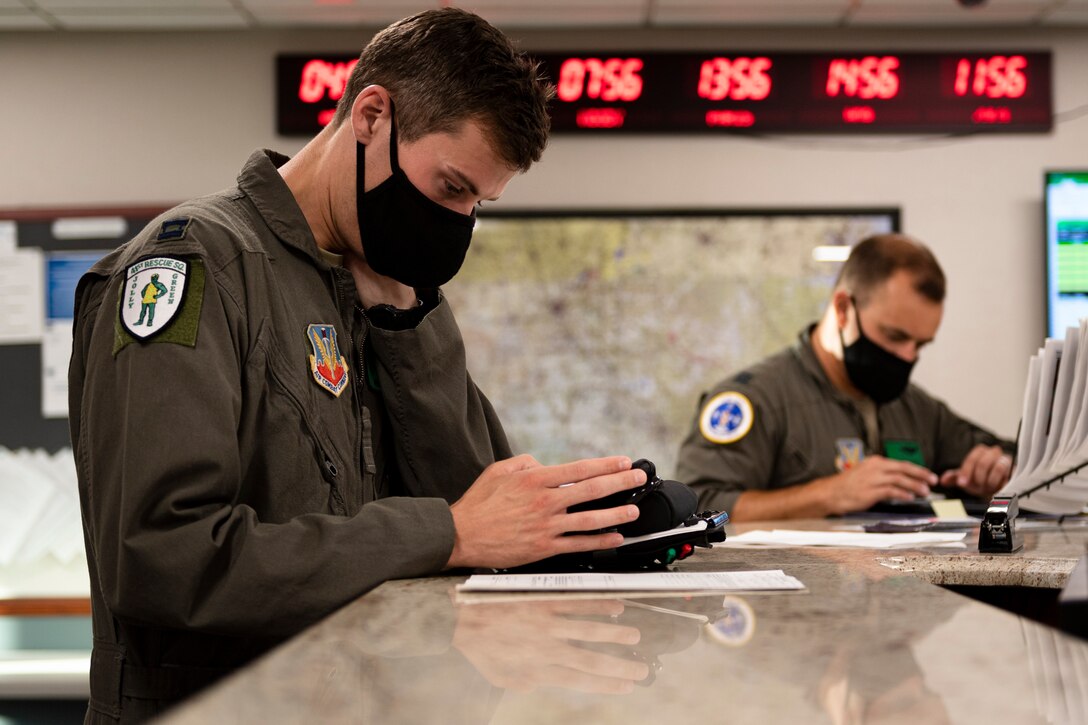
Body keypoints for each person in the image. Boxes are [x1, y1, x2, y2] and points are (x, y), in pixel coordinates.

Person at [68, 9, 646, 722]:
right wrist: (447, 532)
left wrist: (407, 327)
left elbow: (481, 511)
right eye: (450, 188)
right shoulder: (197, 266)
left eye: (477, 205)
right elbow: (163, 555)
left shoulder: (379, 281)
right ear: (371, 116)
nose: (458, 221)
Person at [675, 233, 1014, 522]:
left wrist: (996, 470)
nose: (908, 357)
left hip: (901, 593)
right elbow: (698, 505)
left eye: (920, 344)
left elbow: (1016, 458)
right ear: (842, 309)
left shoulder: (916, 408)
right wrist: (828, 495)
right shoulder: (756, 401)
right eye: (894, 337)